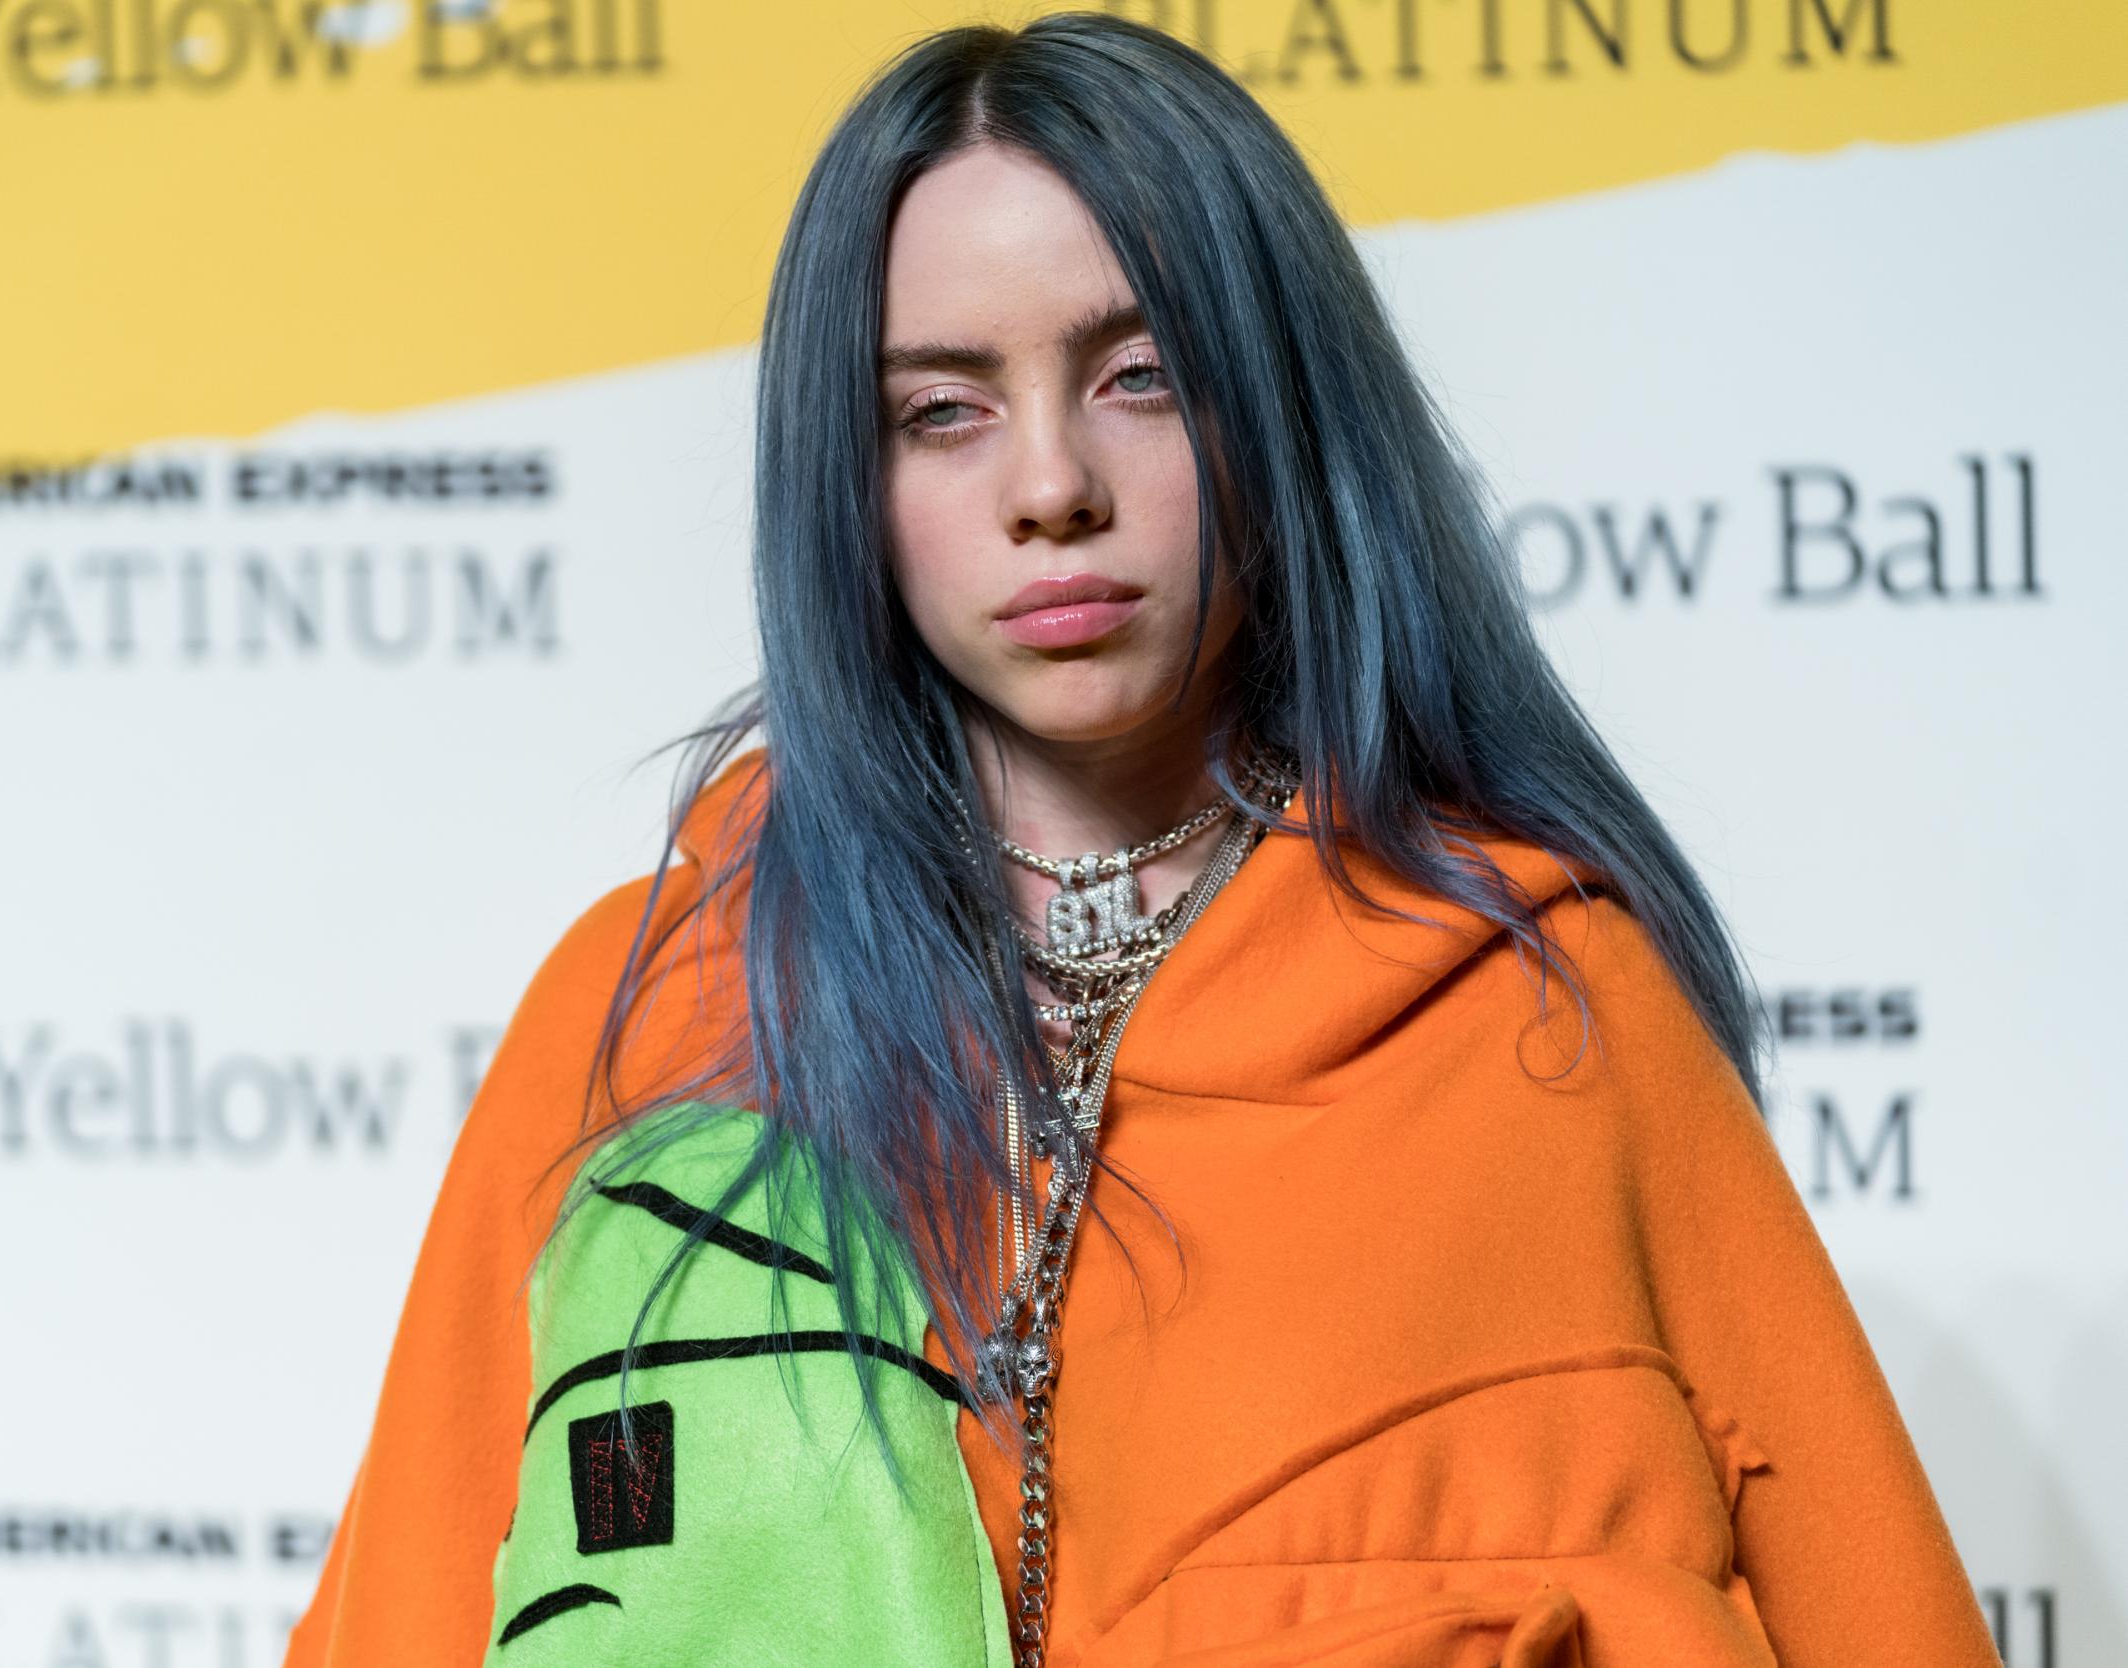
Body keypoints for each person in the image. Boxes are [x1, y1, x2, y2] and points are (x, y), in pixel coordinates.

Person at [284, 14, 1998, 1666]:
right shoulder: (652, 1015)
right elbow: (401, 1623)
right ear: (845, 476)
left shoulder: (1551, 1013)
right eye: (942, 410)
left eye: (1144, 378)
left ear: (1284, 417)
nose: (1051, 484)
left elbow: (1880, 1620)